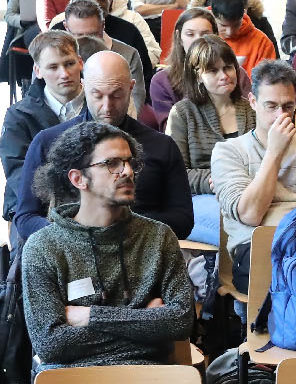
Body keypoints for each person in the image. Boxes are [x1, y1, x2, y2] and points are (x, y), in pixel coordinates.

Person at [22, 121, 194, 370]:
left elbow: (181, 321)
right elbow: (50, 344)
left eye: (129, 162)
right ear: (78, 178)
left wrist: (91, 317)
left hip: (148, 378)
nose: (127, 172)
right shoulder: (43, 247)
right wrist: (146, 324)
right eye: (111, 163)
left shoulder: (159, 237)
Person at [14, 52, 192, 246]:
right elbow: (25, 217)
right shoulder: (48, 142)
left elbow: (182, 219)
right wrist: (71, 237)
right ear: (83, 87)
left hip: (140, 251)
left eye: (117, 95)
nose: (107, 106)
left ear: (131, 88)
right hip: (70, 254)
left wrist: (125, 230)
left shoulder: (161, 146)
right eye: (97, 95)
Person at [210, 61, 296, 292]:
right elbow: (251, 214)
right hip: (255, 249)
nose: (280, 116)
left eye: (287, 106)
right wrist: (274, 152)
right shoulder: (228, 151)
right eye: (271, 106)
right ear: (253, 102)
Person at [165, 34, 252, 245]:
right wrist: (211, 180)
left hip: (248, 192)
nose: (224, 75)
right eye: (213, 71)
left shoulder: (250, 108)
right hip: (200, 198)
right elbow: (174, 173)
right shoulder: (183, 113)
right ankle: (231, 275)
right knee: (238, 229)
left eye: (228, 67)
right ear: (197, 75)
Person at [4, 32, 86, 221]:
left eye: (69, 63)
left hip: (94, 203)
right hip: (36, 207)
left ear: (80, 62)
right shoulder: (19, 115)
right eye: (53, 67)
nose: (64, 74)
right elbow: (18, 171)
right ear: (38, 71)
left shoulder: (101, 105)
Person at [55, 0, 150, 111]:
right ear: (66, 27)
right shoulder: (53, 57)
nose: (87, 41)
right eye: (79, 36)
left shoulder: (128, 54)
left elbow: (136, 101)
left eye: (93, 35)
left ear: (103, 25)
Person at [204, 0, 277, 74]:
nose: (229, 32)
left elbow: (266, 82)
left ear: (244, 13)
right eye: (223, 25)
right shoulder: (198, 34)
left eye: (236, 25)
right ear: (212, 15)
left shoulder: (262, 43)